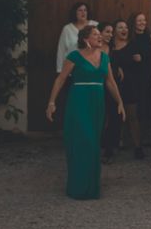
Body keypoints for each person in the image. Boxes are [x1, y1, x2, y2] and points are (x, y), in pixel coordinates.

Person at [46, 26, 125, 199]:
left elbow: (110, 82)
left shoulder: (105, 57)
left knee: (94, 143)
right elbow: (60, 79)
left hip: (98, 103)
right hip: (79, 102)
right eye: (95, 34)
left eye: (100, 34)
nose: (100, 37)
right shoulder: (74, 56)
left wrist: (120, 102)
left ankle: (92, 187)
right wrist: (51, 102)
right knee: (84, 141)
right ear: (85, 39)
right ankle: (78, 187)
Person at [110, 19, 144, 159]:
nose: (124, 30)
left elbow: (141, 64)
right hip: (113, 85)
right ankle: (114, 144)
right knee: (114, 116)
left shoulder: (133, 45)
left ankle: (138, 146)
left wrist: (139, 59)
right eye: (120, 27)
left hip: (130, 85)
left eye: (125, 27)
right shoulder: (109, 47)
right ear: (114, 31)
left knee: (132, 116)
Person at [128, 13, 151, 139]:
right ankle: (133, 136)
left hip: (147, 75)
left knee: (146, 106)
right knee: (134, 106)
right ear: (133, 22)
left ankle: (145, 136)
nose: (142, 23)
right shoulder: (129, 37)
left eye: (144, 20)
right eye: (139, 20)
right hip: (133, 76)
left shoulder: (150, 37)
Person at [97, 22, 121, 164]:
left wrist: (119, 69)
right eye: (107, 31)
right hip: (97, 86)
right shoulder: (94, 48)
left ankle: (109, 149)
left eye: (111, 32)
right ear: (99, 32)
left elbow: (114, 64)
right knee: (99, 117)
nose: (110, 35)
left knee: (112, 116)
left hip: (110, 84)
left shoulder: (112, 48)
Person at [56, 2, 97, 73]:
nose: (83, 12)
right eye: (80, 10)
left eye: (85, 10)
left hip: (92, 66)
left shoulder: (95, 25)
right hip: (72, 68)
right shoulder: (67, 29)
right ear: (75, 13)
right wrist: (59, 70)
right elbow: (61, 50)